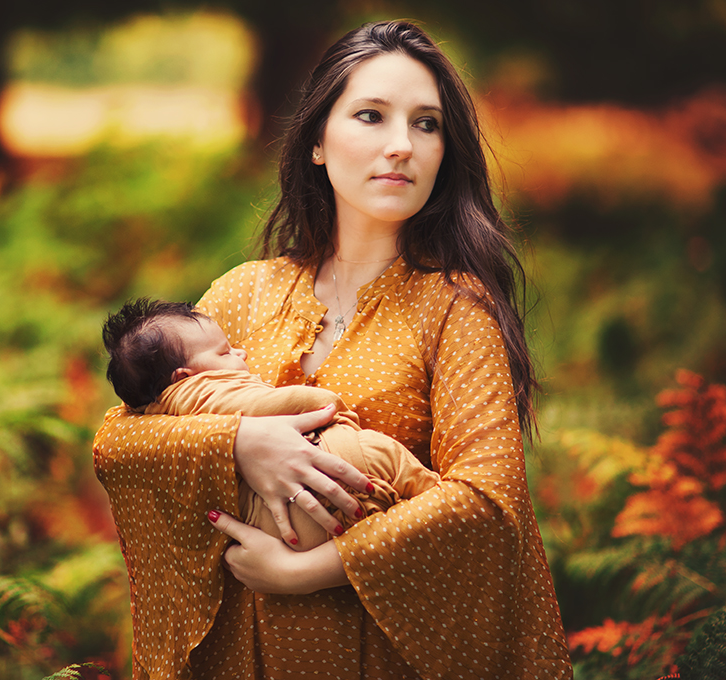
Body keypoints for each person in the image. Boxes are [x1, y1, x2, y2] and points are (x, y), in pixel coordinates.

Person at [94, 19, 572, 679]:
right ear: (318, 142)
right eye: (372, 116)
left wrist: (308, 571)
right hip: (243, 660)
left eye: (427, 124)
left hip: (378, 658)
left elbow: (486, 504)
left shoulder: (456, 309)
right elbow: (118, 444)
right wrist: (239, 445)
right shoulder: (243, 295)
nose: (402, 145)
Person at [101, 297, 441, 552]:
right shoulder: (203, 392)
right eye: (225, 353)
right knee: (390, 459)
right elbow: (269, 405)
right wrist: (327, 404)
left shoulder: (159, 410)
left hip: (282, 525)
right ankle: (433, 495)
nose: (242, 353)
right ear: (182, 376)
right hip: (338, 462)